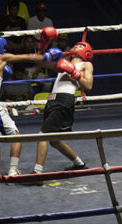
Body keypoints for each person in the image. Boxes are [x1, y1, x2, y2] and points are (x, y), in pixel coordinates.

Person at [0, 28, 59, 176]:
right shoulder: (0, 59)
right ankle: (12, 170)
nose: (5, 50)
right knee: (17, 137)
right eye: (3, 48)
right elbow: (28, 58)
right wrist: (45, 56)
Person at [33, 41, 94, 176]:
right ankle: (80, 164)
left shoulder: (86, 65)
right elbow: (40, 63)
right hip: (51, 101)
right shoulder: (63, 63)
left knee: (42, 135)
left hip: (64, 101)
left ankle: (37, 174)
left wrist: (75, 73)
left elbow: (89, 85)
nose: (77, 46)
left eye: (81, 46)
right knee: (54, 141)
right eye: (76, 45)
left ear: (87, 52)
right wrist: (41, 48)